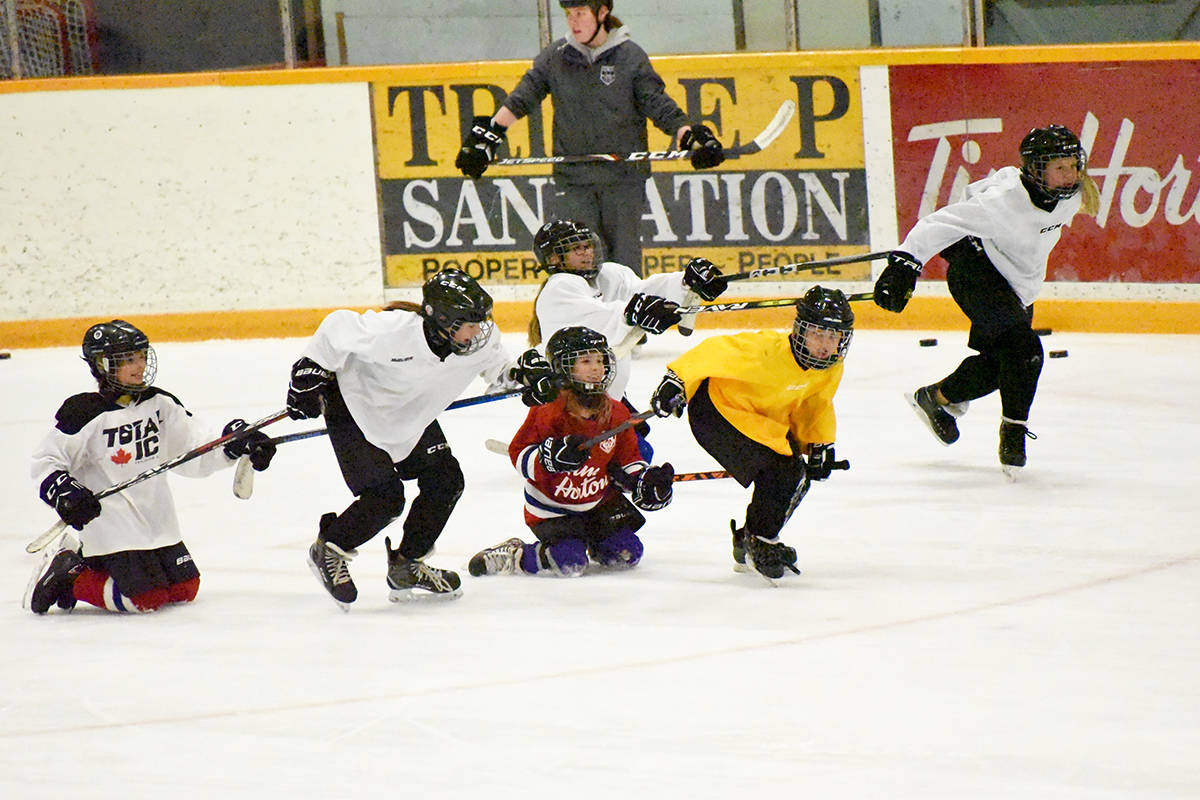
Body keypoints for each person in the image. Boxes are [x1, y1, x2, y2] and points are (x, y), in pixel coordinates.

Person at [287, 268, 559, 609]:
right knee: (385, 498)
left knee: (446, 481)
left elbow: (499, 371)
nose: (479, 331)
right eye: (469, 324)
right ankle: (330, 548)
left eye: (480, 321)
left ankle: (407, 565)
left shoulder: (478, 339)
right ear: (441, 320)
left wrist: (523, 377)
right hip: (355, 407)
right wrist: (310, 369)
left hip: (410, 414)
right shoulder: (395, 332)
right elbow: (337, 327)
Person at [872, 124, 1096, 474]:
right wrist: (903, 265)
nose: (1070, 176)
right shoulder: (1001, 204)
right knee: (1026, 352)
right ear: (1037, 170)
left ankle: (937, 399)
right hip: (975, 270)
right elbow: (936, 224)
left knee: (1004, 365)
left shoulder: (1074, 196)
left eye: (1073, 166)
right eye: (1059, 168)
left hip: (1015, 284)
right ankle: (1014, 433)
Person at [454, 0, 725, 277]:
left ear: (602, 13)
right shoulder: (557, 56)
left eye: (581, 13)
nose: (573, 21)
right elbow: (524, 95)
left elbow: (658, 105)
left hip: (623, 179)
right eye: (569, 14)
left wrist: (690, 136)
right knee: (578, 262)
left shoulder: (630, 57)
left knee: (623, 267)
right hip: (575, 180)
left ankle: (626, 319)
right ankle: (584, 318)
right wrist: (490, 135)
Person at [27, 320, 277, 615]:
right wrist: (63, 490)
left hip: (157, 519)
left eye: (142, 356)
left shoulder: (160, 403)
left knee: (185, 589)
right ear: (102, 365)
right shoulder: (84, 412)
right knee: (142, 598)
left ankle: (85, 564)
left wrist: (232, 444)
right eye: (128, 360)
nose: (139, 366)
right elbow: (46, 461)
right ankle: (70, 574)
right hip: (111, 525)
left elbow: (193, 449)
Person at [648, 287, 855, 580]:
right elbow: (713, 350)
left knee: (795, 475)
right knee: (783, 471)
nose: (825, 344)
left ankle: (754, 537)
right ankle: (759, 539)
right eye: (818, 333)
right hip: (718, 412)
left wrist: (819, 444)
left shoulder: (830, 367)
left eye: (834, 337)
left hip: (762, 424)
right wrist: (676, 381)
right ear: (800, 330)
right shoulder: (765, 350)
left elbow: (816, 404)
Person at [468, 325, 674, 578]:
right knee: (569, 563)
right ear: (562, 368)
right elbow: (519, 452)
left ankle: (597, 543)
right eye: (586, 361)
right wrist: (547, 459)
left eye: (600, 360)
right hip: (552, 509)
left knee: (627, 553)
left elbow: (629, 460)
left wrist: (644, 481)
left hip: (598, 504)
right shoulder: (548, 409)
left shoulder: (617, 412)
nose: (597, 368)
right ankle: (516, 555)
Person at [528, 218, 728, 459]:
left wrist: (685, 283)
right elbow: (597, 326)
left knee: (638, 442)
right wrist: (631, 313)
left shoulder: (609, 275)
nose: (586, 253)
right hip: (573, 406)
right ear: (553, 259)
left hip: (607, 395)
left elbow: (645, 291)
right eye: (575, 248)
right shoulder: (559, 288)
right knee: (637, 455)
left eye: (587, 245)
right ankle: (549, 439)